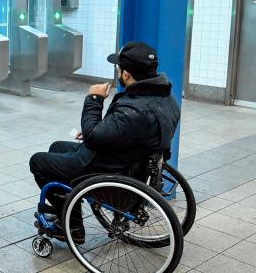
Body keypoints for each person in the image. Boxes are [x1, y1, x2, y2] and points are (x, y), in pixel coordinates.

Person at [28, 41, 180, 237]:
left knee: (38, 162)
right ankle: (67, 211)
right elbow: (126, 132)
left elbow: (93, 138)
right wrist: (103, 131)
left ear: (126, 75)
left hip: (106, 167)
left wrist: (94, 99)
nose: (117, 72)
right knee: (56, 147)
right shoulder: (166, 98)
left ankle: (72, 225)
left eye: (119, 68)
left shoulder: (134, 110)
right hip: (130, 160)